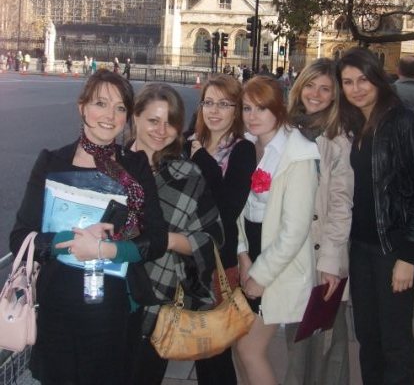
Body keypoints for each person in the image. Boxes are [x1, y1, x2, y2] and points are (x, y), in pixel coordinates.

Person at [9, 69, 169, 385]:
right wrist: (69, 241)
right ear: (82, 106)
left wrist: (105, 249)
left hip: (115, 308)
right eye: (100, 103)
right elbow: (21, 237)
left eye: (120, 107)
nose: (110, 116)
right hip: (58, 307)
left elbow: (157, 239)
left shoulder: (134, 166)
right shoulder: (52, 162)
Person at [337, 47, 414, 385]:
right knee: (368, 338)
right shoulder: (354, 123)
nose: (357, 88)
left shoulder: (404, 120)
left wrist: (407, 256)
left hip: (393, 247)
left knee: (394, 342)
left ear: (378, 78)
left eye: (363, 79)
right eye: (348, 82)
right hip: (361, 248)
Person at [128, 83, 224, 385]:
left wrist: (165, 241)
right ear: (135, 118)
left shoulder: (188, 175)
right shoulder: (110, 166)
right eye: (153, 120)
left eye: (170, 122)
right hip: (105, 297)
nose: (161, 130)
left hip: (159, 300)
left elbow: (212, 239)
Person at [235, 75, 320, 385]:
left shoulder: (297, 154)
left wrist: (261, 274)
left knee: (249, 349)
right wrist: (243, 254)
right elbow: (239, 210)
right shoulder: (246, 146)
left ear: (278, 109)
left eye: (262, 108)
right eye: (246, 108)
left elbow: (295, 229)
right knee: (239, 347)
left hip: (277, 260)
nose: (253, 116)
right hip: (252, 249)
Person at [284, 58, 354, 385]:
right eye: (310, 85)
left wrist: (330, 262)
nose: (316, 94)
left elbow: (341, 205)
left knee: (328, 338)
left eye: (325, 89)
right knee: (296, 336)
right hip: (292, 253)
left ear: (334, 96)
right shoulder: (286, 130)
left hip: (322, 252)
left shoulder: (338, 139)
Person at [186, 73, 256, 385]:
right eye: (209, 103)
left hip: (217, 263)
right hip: (184, 258)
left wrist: (201, 157)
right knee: (197, 346)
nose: (214, 111)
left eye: (224, 104)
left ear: (236, 110)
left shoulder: (241, 150)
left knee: (215, 349)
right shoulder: (188, 140)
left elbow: (228, 208)